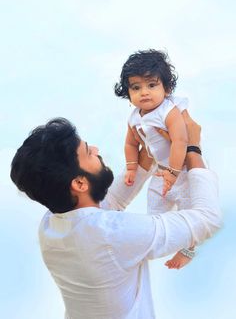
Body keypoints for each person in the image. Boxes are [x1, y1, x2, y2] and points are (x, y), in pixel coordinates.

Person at [10, 115, 221, 319]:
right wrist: (193, 148)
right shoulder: (113, 234)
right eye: (87, 152)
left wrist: (152, 147)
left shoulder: (51, 225)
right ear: (80, 184)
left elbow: (112, 201)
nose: (96, 150)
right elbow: (207, 219)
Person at [115, 49, 195, 269]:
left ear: (166, 88)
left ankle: (188, 249)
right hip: (160, 172)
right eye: (136, 87)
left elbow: (180, 140)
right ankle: (154, 240)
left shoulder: (169, 111)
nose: (144, 92)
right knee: (155, 211)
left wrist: (174, 172)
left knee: (190, 212)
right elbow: (131, 144)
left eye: (152, 85)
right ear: (127, 92)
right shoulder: (134, 118)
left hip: (183, 172)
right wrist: (131, 168)